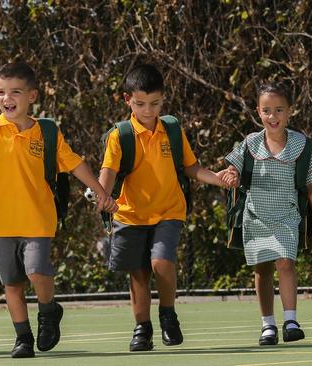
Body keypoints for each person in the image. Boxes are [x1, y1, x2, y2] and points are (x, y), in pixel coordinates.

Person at [0, 62, 117, 358]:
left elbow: (76, 164)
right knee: (11, 284)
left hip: (37, 221)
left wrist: (102, 192)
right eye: (0, 92)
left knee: (36, 270)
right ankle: (23, 337)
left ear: (32, 96)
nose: (6, 98)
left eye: (15, 92)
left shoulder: (47, 134)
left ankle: (49, 311)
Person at [98, 64, 234, 352]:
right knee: (139, 274)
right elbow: (107, 172)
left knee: (161, 262)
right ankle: (142, 328)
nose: (148, 110)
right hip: (130, 214)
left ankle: (168, 314)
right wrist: (102, 194)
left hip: (169, 211)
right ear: (127, 100)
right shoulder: (120, 136)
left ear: (163, 99)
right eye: (141, 104)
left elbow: (191, 167)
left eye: (155, 103)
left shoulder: (171, 129)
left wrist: (218, 179)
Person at [224, 82, 312, 345]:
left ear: (290, 111)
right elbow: (232, 168)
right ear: (258, 112)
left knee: (286, 262)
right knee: (262, 269)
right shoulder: (250, 143)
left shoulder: (300, 144)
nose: (273, 116)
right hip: (256, 217)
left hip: (287, 216)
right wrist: (232, 174)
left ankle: (291, 321)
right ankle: (268, 325)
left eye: (279, 110)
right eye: (267, 110)